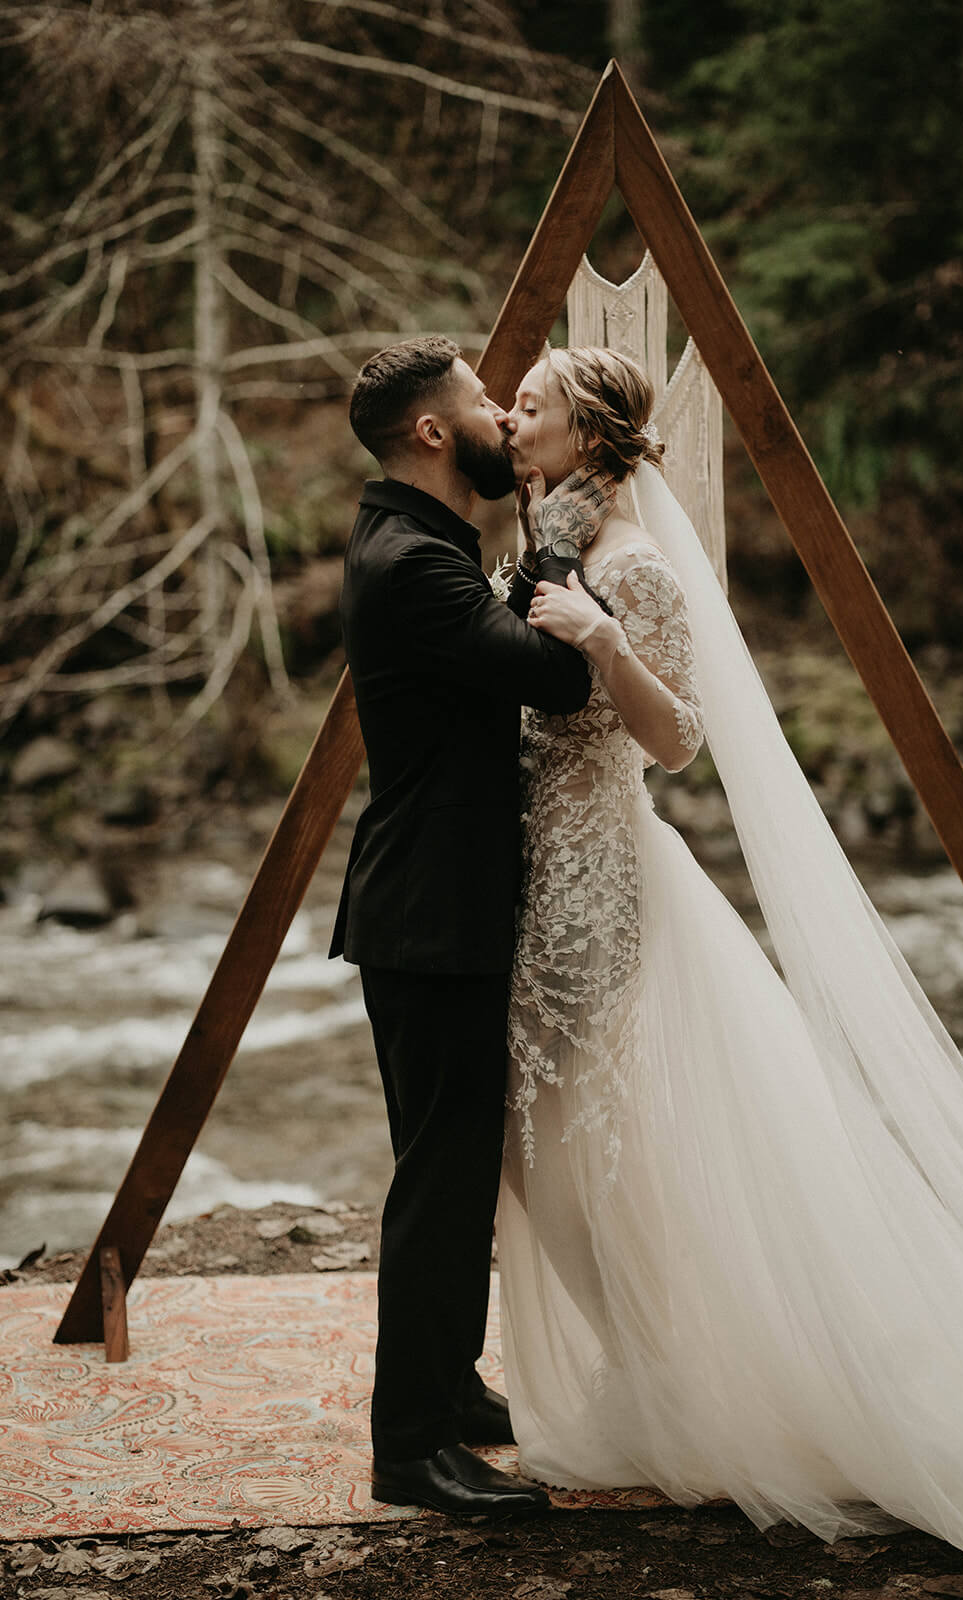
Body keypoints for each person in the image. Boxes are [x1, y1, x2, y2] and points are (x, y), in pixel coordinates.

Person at [497, 345, 963, 1600]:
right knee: (543, 1160)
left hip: (597, 873)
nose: (507, 415)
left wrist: (602, 641)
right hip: (527, 871)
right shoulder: (540, 531)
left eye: (527, 403)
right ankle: (649, 1361)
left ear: (585, 432)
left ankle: (674, 1375)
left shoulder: (631, 564)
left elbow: (677, 740)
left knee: (571, 1148)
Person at [330, 336, 616, 1518]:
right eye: (484, 406)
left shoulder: (426, 544)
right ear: (435, 434)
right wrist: (554, 547)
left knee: (446, 1166)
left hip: (427, 907)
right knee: (440, 1179)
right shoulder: (413, 564)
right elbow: (553, 682)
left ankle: (444, 1388)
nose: (508, 418)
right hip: (432, 915)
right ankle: (410, 1451)